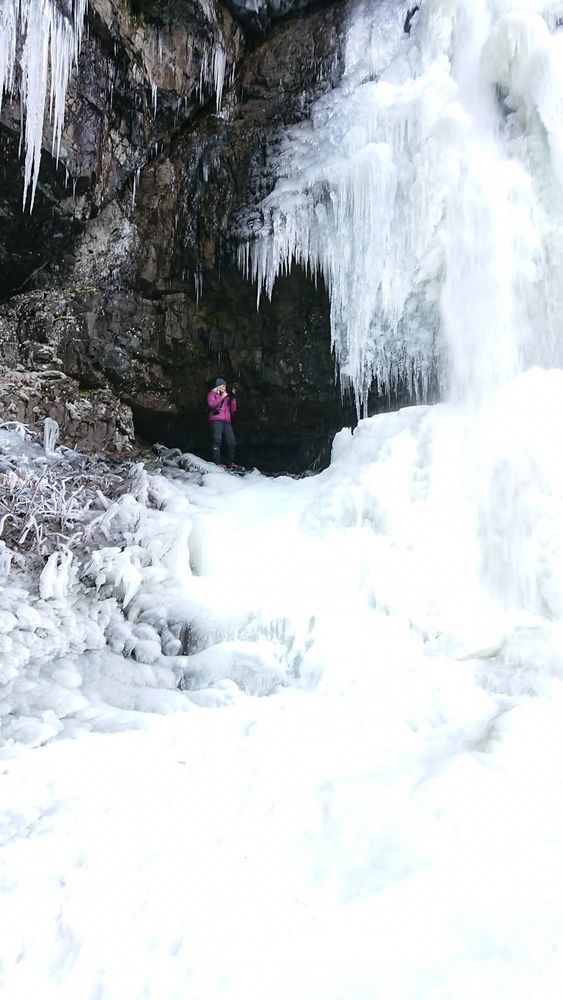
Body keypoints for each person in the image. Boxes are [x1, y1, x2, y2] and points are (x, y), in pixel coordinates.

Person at [207, 377, 238, 467]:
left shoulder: (226, 398)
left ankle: (230, 462)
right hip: (216, 420)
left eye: (225, 386)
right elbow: (212, 404)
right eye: (223, 386)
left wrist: (233, 398)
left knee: (231, 441)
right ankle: (217, 462)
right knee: (217, 440)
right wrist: (222, 397)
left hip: (226, 421)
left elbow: (233, 409)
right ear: (218, 386)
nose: (224, 387)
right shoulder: (212, 394)